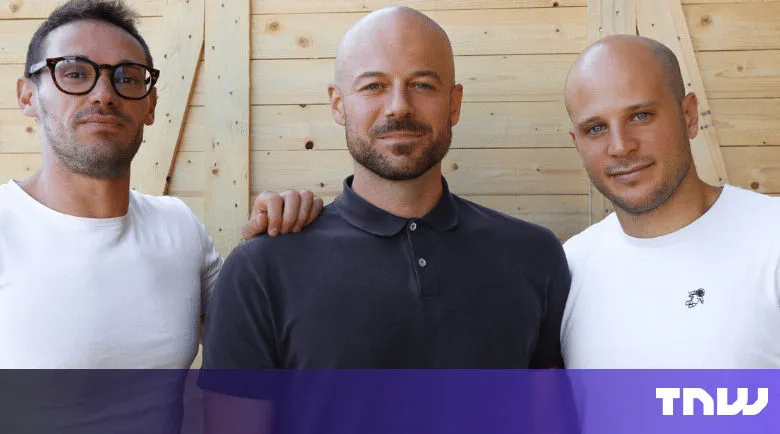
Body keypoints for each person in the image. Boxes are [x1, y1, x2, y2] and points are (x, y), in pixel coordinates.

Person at [198, 5, 574, 434]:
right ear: (338, 104)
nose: (399, 106)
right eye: (374, 85)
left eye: (422, 84)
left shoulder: (534, 255)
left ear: (454, 104)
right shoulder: (261, 269)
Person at [0, 0, 321, 369]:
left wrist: (277, 242)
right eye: (74, 73)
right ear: (27, 96)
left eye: (127, 78)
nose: (104, 94)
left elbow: (258, 341)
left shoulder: (178, 226)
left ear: (150, 104)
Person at [560, 34, 780, 368]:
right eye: (596, 128)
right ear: (577, 145)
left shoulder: (771, 239)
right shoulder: (568, 268)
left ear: (688, 115)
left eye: (640, 116)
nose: (620, 146)